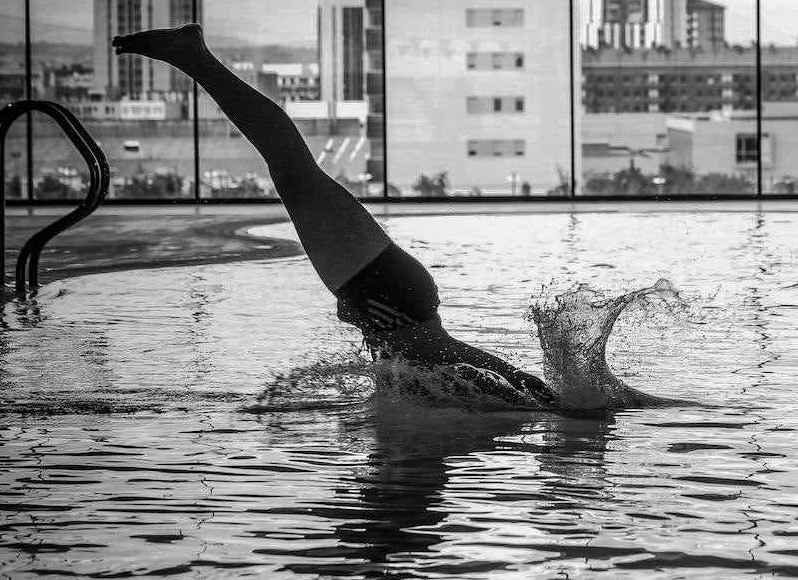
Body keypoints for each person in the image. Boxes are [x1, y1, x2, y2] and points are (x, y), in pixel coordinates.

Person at [112, 24, 558, 407]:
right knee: (292, 172)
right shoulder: (450, 374)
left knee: (293, 173)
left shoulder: (437, 379)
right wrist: (567, 411)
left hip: (390, 297)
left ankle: (196, 60)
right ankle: (196, 59)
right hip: (387, 294)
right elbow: (515, 385)